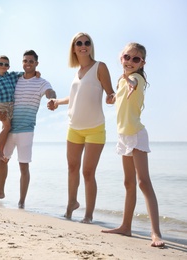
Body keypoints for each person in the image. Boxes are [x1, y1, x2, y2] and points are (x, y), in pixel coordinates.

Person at [101, 43, 165, 248]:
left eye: (135, 59)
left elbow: (134, 85)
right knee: (128, 183)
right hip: (123, 135)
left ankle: (155, 233)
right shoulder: (122, 81)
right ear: (121, 57)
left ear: (142, 63)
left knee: (143, 182)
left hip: (136, 135)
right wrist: (113, 97)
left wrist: (127, 80)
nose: (130, 62)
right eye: (127, 57)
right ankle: (126, 226)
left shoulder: (136, 78)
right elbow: (119, 100)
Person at [47, 32, 115, 223]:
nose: (83, 45)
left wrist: (112, 98)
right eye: (79, 43)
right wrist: (57, 102)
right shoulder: (77, 73)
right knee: (72, 168)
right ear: (74, 48)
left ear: (90, 46)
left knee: (88, 173)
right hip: (74, 127)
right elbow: (75, 97)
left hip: (95, 128)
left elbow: (110, 93)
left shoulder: (99, 67)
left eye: (87, 42)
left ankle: (88, 215)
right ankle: (71, 205)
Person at [0, 50, 57, 208]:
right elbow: (1, 88)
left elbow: (50, 91)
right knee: (2, 159)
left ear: (36, 63)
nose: (27, 64)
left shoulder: (42, 82)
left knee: (24, 166)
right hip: (10, 128)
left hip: (26, 130)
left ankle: (21, 201)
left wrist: (52, 98)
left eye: (31, 61)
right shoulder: (15, 79)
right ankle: (0, 191)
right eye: (25, 61)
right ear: (22, 63)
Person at [0, 55, 22, 161]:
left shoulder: (12, 75)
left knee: (6, 128)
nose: (3, 66)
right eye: (1, 64)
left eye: (6, 64)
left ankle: (1, 149)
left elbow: (26, 73)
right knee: (7, 127)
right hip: (1, 105)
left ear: (8, 67)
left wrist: (36, 73)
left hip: (11, 105)